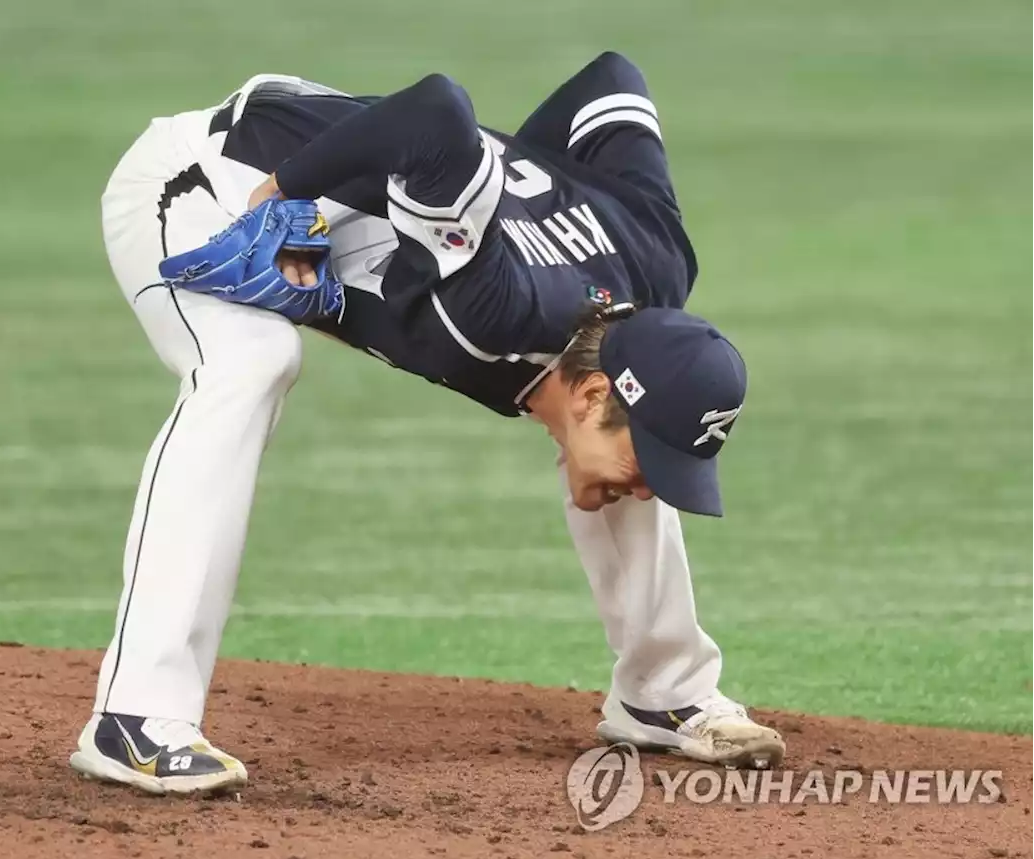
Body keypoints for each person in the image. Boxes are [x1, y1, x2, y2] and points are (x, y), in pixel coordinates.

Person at [69, 53, 785, 796]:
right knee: (252, 358)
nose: (648, 489)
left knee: (616, 462)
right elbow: (437, 109)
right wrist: (279, 194)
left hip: (367, 197)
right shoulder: (496, 301)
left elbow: (613, 81)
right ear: (592, 391)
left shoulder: (651, 271)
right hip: (204, 183)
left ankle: (664, 691)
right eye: (651, 464)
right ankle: (136, 717)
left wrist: (516, 194)